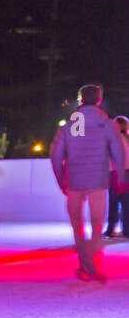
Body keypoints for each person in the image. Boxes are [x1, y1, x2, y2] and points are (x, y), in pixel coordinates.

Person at [51, 83, 125, 281]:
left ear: (80, 99)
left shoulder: (69, 126)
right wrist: (120, 175)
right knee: (97, 225)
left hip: (74, 180)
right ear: (99, 100)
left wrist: (61, 180)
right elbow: (118, 152)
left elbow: (56, 156)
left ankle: (85, 263)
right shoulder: (107, 124)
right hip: (98, 181)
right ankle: (89, 262)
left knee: (77, 225)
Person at [105, 116, 129, 237]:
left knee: (114, 202)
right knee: (125, 203)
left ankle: (110, 229)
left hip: (116, 172)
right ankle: (126, 230)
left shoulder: (114, 138)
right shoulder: (125, 138)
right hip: (125, 172)